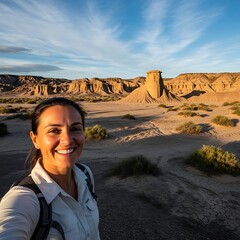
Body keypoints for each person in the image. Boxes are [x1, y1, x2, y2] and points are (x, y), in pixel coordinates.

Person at [0, 97, 100, 239]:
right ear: (35, 139)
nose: (67, 140)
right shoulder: (24, 200)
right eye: (54, 130)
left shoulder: (85, 174)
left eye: (75, 129)